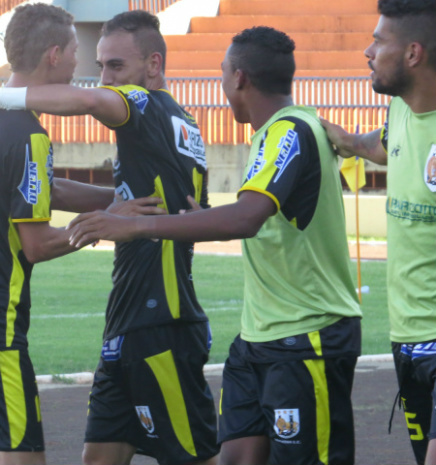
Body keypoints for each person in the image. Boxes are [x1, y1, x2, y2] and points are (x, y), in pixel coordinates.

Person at [67, 26, 364, 465]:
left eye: (223, 74)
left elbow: (245, 218)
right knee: (233, 456)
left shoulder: (290, 130)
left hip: (307, 335)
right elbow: (244, 213)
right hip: (258, 337)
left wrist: (138, 227)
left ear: (240, 78)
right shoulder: (269, 135)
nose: (222, 85)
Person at [0, 10, 219, 465]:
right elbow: (108, 193)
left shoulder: (150, 106)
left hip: (161, 322)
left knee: (193, 458)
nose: (104, 79)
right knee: (98, 458)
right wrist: (24, 181)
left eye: (116, 67)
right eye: (100, 66)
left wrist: (3, 97)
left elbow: (89, 104)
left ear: (154, 65)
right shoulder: (176, 125)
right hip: (126, 323)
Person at [0, 4, 162, 465]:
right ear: (53, 55)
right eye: (74, 51)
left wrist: (116, 198)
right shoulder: (28, 132)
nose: (79, 64)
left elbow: (40, 188)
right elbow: (37, 243)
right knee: (23, 454)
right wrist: (107, 227)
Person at [318, 1, 436, 463]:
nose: (368, 51)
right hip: (407, 339)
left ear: (412, 53)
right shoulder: (403, 114)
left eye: (379, 41)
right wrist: (339, 138)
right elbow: (376, 146)